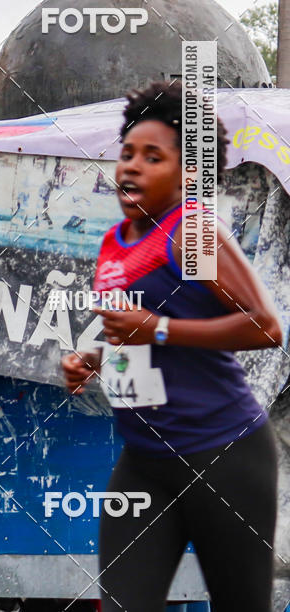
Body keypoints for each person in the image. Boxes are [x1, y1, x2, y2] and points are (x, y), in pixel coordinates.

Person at [62, 82, 283, 612]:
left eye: (152, 157)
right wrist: (93, 361)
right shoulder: (115, 243)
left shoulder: (192, 234)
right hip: (145, 461)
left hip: (224, 453)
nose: (131, 167)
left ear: (188, 175)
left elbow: (265, 326)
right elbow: (134, 335)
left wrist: (156, 328)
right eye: (127, 154)